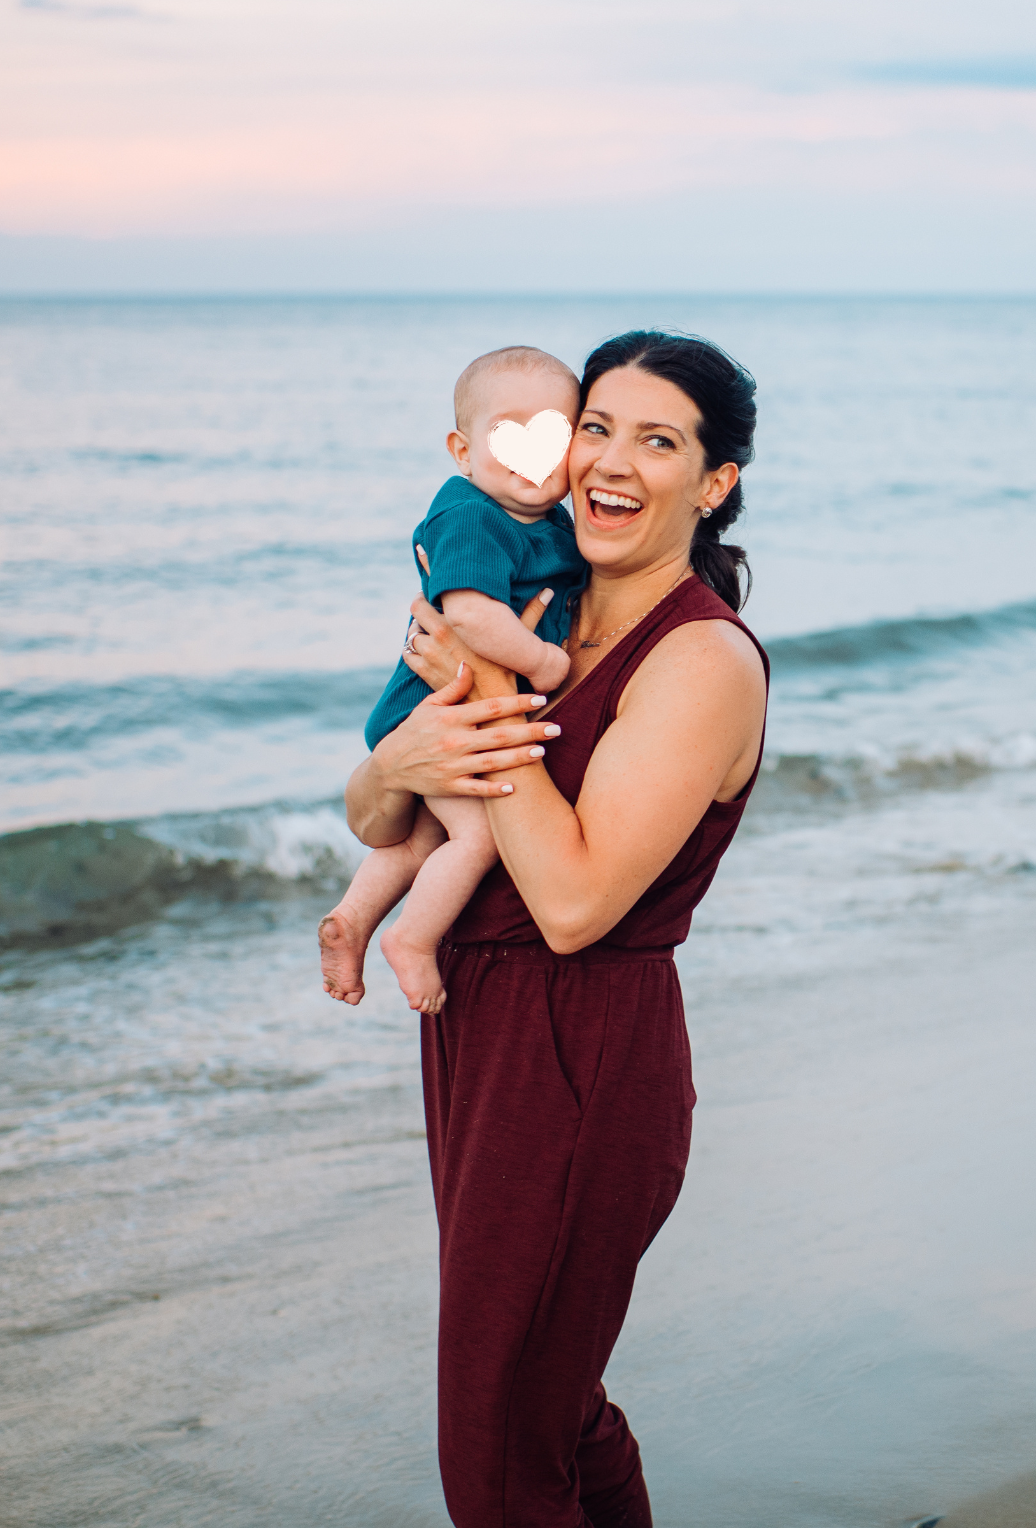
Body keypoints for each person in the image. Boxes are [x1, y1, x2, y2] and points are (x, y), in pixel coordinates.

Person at [341, 330, 769, 1528]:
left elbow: (576, 906)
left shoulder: (698, 659)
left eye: (660, 439)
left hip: (579, 1057)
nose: (611, 462)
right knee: (548, 1409)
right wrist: (408, 752)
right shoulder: (539, 614)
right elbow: (377, 809)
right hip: (478, 1041)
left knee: (494, 1441)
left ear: (714, 481)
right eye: (596, 427)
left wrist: (477, 697)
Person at [318, 345, 588, 1016]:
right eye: (510, 434)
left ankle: (352, 919)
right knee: (480, 837)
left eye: (556, 434)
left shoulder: (547, 519)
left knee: (422, 839)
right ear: (461, 450)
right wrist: (550, 664)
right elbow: (468, 615)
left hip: (456, 705)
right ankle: (412, 938)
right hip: (439, 707)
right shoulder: (468, 513)